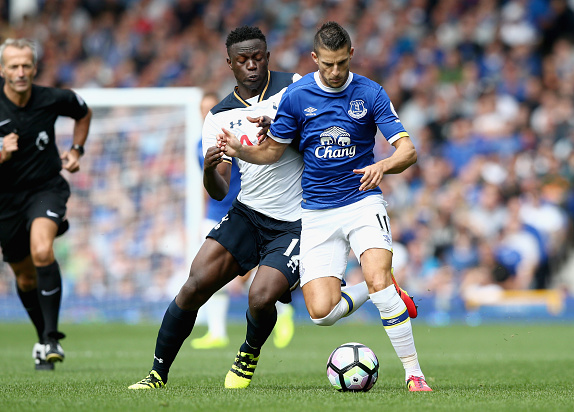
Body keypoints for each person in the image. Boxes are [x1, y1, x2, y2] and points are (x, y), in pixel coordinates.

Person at [218, 22, 432, 392]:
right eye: (327, 65)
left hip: (362, 201)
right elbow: (273, 150)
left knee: (380, 280)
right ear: (315, 59)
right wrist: (240, 150)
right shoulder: (297, 96)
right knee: (321, 314)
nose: (335, 73)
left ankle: (415, 375)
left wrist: (383, 165)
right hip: (316, 212)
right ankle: (378, 287)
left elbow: (408, 150)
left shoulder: (371, 92)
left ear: (351, 54)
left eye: (341, 64)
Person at [129, 26, 303, 390]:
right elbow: (219, 191)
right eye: (243, 60)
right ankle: (157, 374)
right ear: (230, 64)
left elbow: (314, 138)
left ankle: (248, 354)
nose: (252, 66)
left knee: (259, 296)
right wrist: (209, 168)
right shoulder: (219, 117)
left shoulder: (294, 87)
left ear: (267, 57)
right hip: (248, 213)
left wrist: (282, 130)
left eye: (258, 57)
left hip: (297, 221)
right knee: (195, 284)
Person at [0, 38, 92, 370]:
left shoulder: (51, 98)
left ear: (34, 68)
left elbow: (83, 112)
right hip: (5, 200)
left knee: (42, 250)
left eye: (26, 65)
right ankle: (43, 340)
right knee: (25, 278)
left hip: (45, 190)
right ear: (2, 70)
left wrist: (76, 150)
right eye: (13, 66)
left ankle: (52, 336)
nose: (21, 72)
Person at [190, 92, 296, 351]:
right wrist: (202, 215)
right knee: (208, 274)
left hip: (247, 209)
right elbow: (211, 183)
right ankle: (217, 331)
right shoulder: (199, 145)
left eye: (209, 108)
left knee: (250, 272)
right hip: (215, 211)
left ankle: (283, 313)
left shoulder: (240, 134)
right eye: (203, 109)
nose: (208, 113)